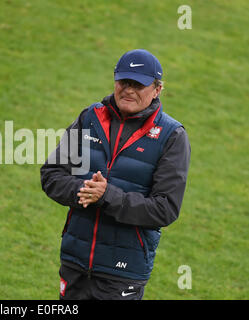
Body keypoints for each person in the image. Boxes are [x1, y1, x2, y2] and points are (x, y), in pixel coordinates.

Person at [40, 49, 191, 300]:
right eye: (124, 82)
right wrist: (84, 191)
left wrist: (107, 196)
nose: (128, 90)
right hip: (75, 261)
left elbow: (165, 208)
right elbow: (52, 174)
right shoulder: (90, 118)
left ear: (157, 90)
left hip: (123, 272)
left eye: (138, 84)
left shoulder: (171, 136)